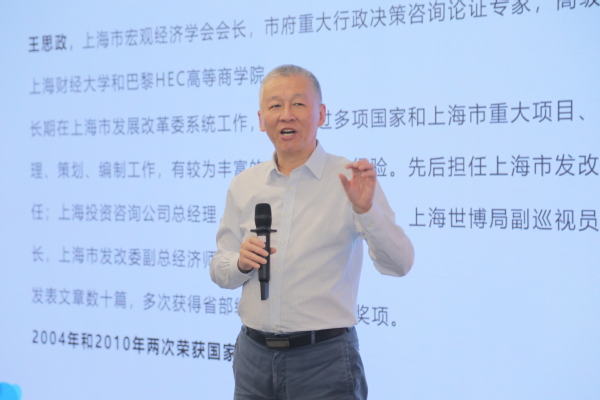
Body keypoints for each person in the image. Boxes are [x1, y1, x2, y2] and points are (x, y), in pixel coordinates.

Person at [210, 65, 414, 400]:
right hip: (253, 360)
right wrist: (239, 263)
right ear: (261, 119)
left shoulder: (350, 180)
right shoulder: (244, 184)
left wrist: (367, 211)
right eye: (275, 106)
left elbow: (400, 263)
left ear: (321, 114)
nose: (286, 115)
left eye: (298, 104)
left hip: (324, 361)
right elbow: (220, 268)